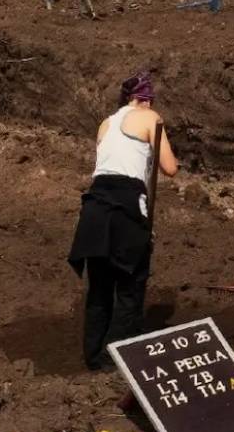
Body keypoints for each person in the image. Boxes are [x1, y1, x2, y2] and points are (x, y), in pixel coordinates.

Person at [68, 71, 179, 371]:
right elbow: (170, 167)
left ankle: (95, 357)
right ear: (145, 100)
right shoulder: (150, 118)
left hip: (94, 207)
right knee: (131, 286)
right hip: (125, 207)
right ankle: (119, 359)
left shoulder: (105, 124)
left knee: (100, 288)